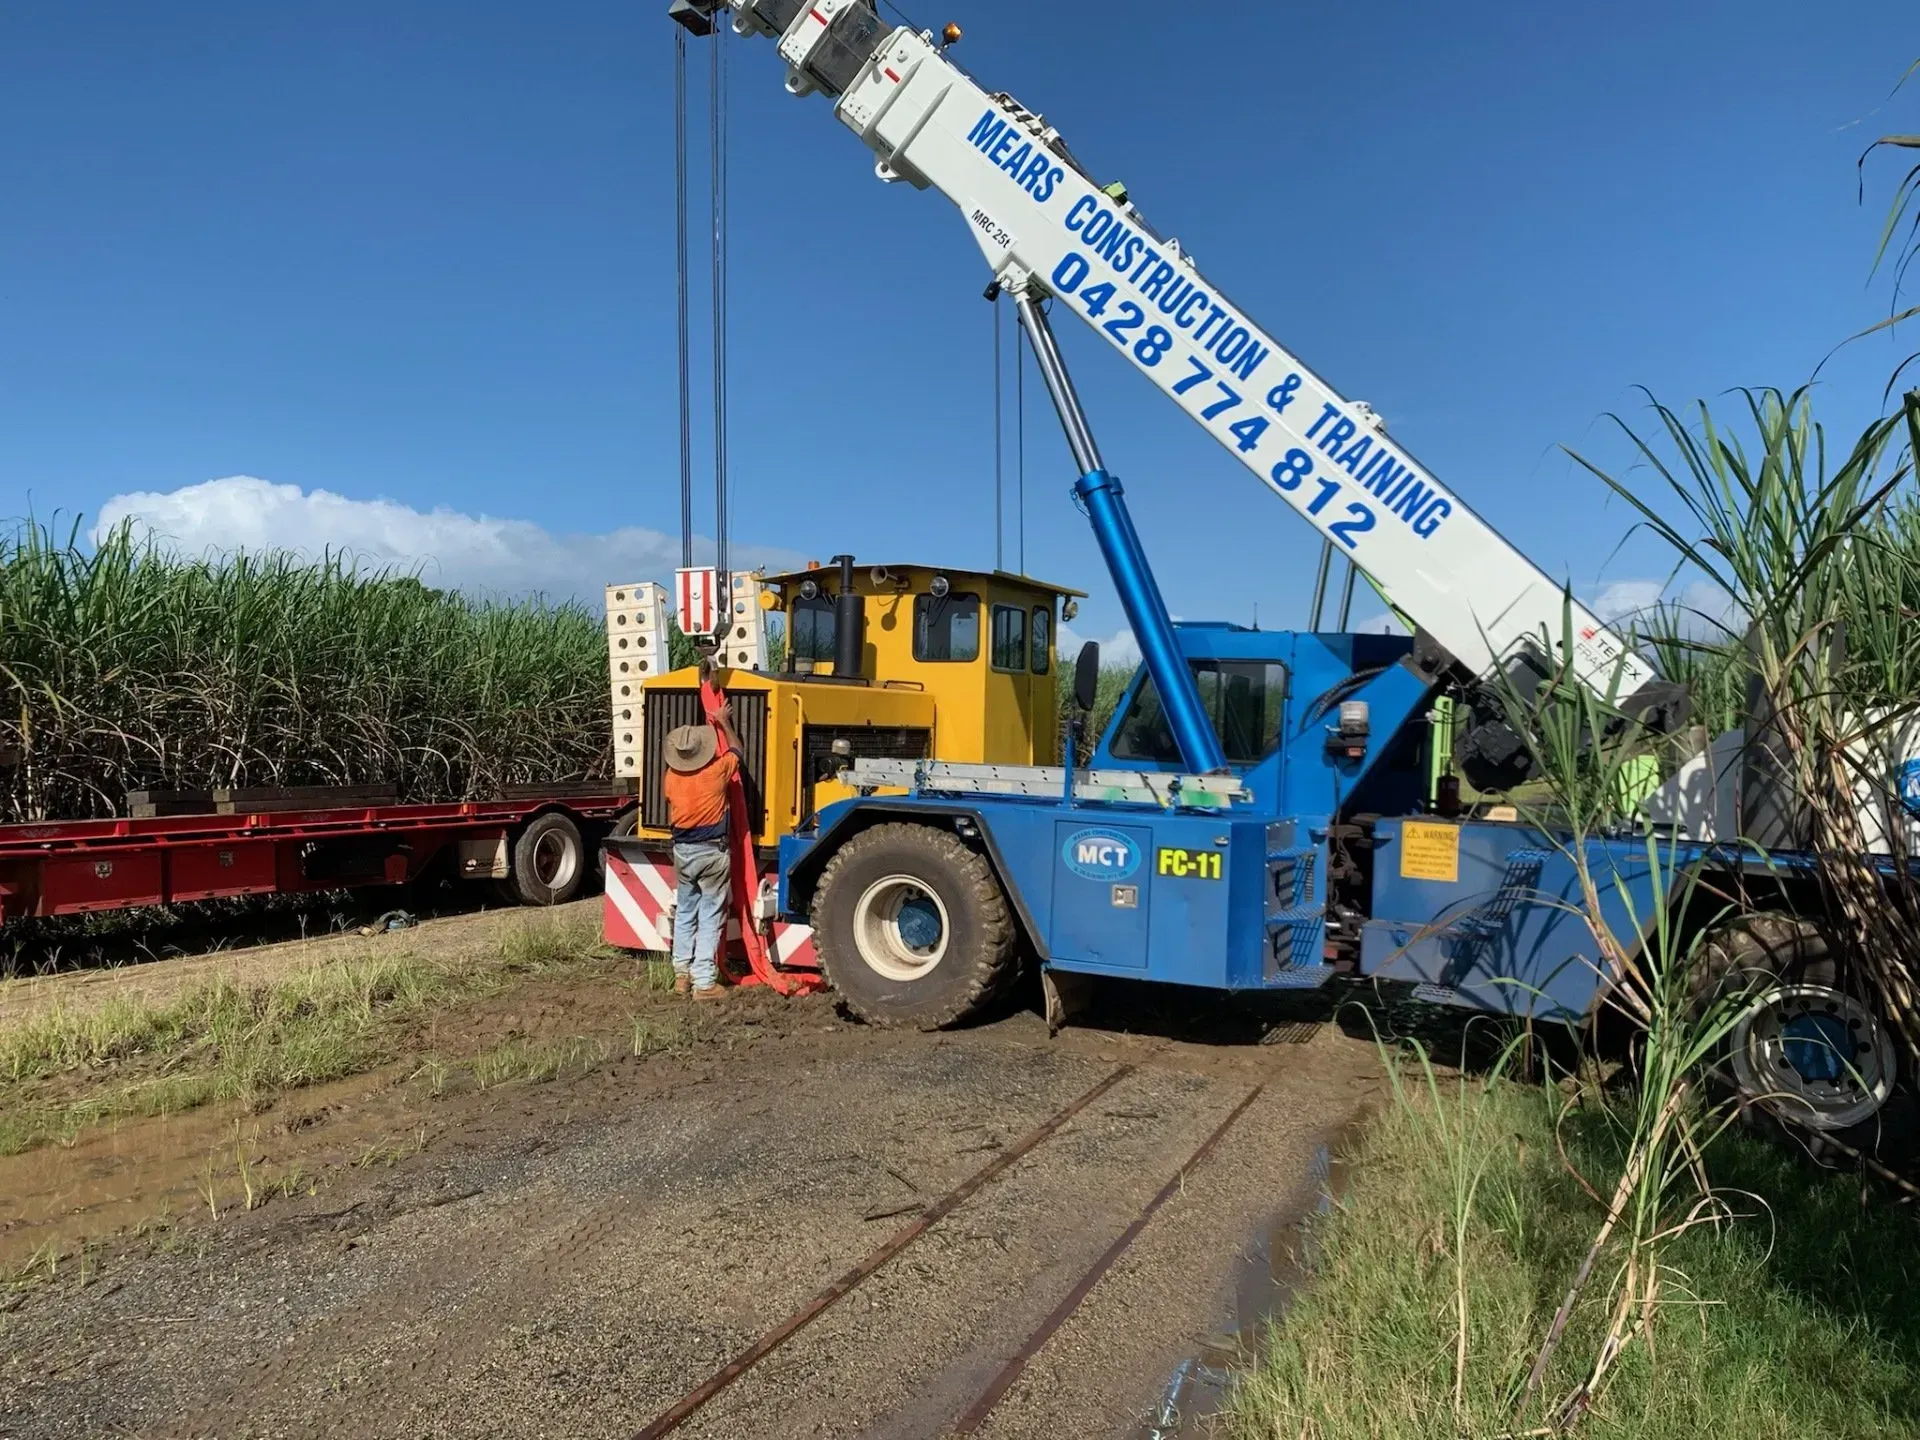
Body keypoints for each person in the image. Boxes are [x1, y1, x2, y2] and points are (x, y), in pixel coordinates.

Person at [662, 696, 741, 1000]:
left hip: (682, 851)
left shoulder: (671, 778)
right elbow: (737, 751)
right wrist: (723, 722)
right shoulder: (716, 772)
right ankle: (705, 982)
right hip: (711, 852)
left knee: (685, 911)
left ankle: (681, 976)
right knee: (710, 914)